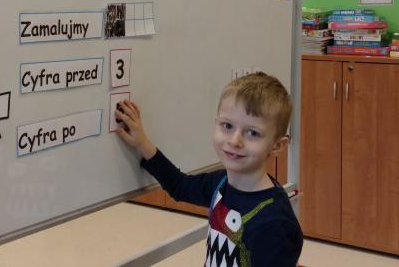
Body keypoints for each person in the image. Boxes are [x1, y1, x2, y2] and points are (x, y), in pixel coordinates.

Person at [115, 72, 302, 267]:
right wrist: (142, 143)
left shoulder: (274, 223)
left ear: (277, 146)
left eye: (253, 133)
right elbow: (180, 186)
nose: (234, 141)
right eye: (227, 126)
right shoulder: (221, 182)